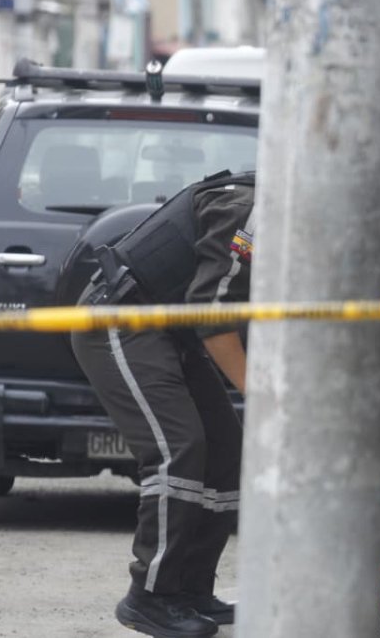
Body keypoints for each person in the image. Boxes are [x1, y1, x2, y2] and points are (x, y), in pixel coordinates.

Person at [70, 170, 252, 637]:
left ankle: (188, 590)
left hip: (170, 332)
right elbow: (213, 311)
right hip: (120, 319)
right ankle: (149, 595)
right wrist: (261, 392)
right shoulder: (250, 212)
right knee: (179, 448)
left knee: (226, 448)